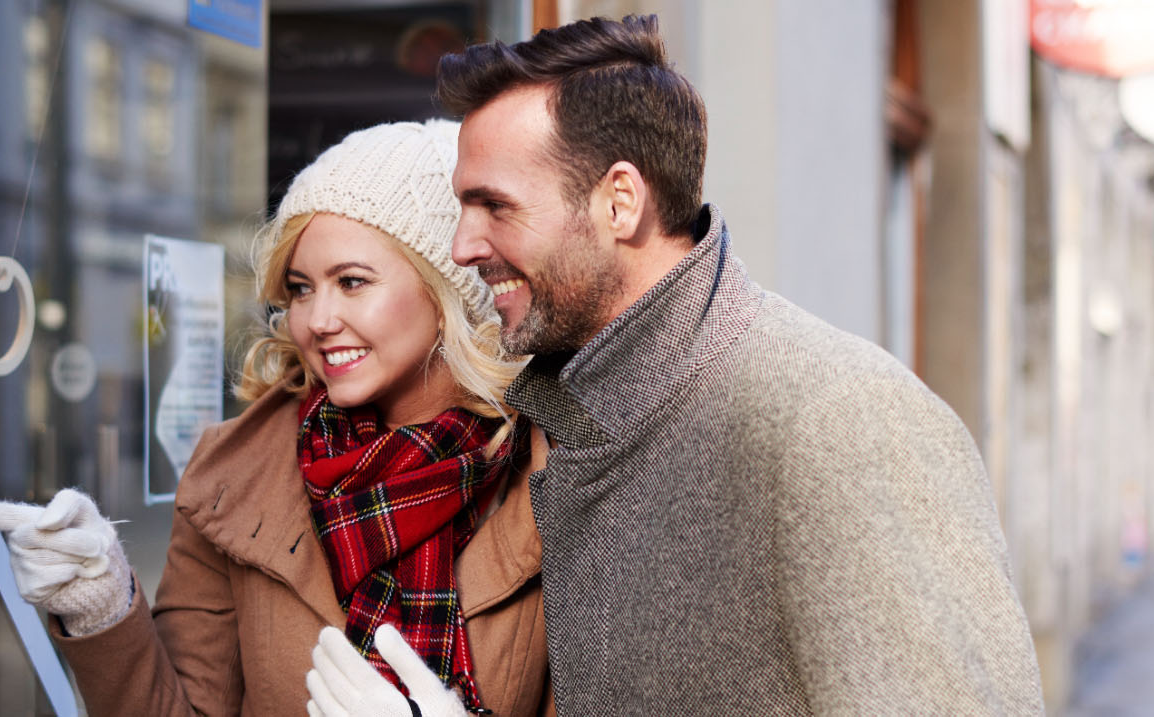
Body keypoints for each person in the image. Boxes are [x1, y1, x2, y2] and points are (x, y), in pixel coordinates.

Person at [433, 15, 1046, 715]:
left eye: (493, 205)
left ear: (620, 202)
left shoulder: (838, 420)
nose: (463, 244)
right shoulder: (579, 418)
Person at [0, 120, 554, 716]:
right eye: (301, 287)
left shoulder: (556, 480)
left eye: (352, 281)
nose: (316, 319)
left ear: (448, 291)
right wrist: (101, 608)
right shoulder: (235, 474)